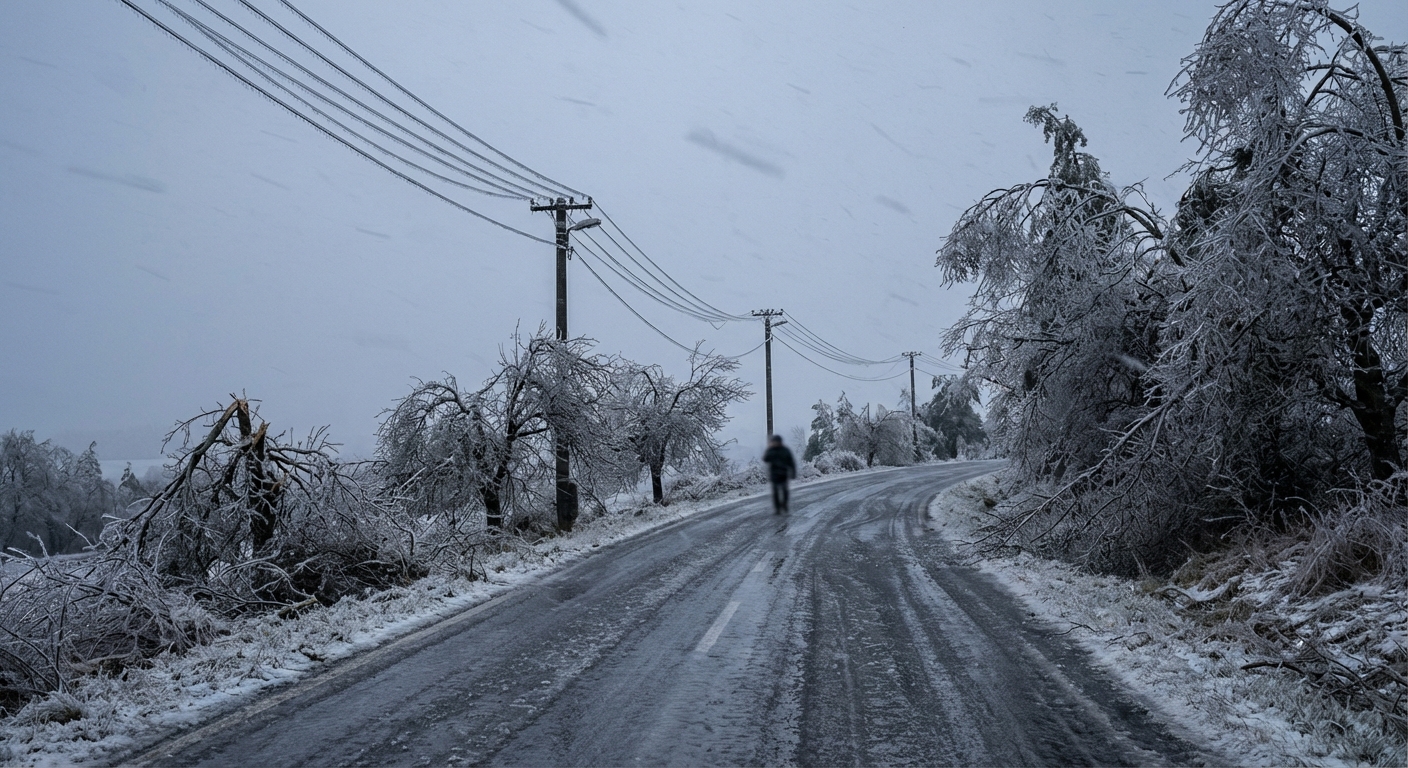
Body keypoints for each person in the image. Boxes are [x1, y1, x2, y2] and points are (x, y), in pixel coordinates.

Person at [762, 435, 797, 514]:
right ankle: (777, 508)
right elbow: (765, 459)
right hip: (774, 474)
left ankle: (784, 505)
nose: (776, 443)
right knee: (775, 492)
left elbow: (791, 462)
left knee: (785, 491)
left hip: (783, 473)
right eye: (774, 442)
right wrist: (769, 450)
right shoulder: (771, 450)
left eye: (777, 442)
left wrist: (793, 472)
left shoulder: (785, 450)